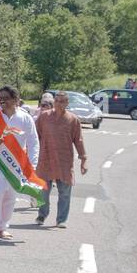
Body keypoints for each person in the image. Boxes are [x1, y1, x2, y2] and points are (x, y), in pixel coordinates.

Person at [0, 85, 41, 241]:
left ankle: (3, 227)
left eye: (5, 99)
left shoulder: (25, 118)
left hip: (16, 164)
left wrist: (32, 164)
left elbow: (33, 142)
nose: (2, 102)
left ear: (15, 100)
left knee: (10, 196)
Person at [34, 90, 88, 228]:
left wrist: (83, 159)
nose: (59, 104)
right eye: (57, 101)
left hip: (64, 162)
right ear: (54, 102)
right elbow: (35, 136)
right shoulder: (44, 117)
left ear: (67, 103)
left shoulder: (73, 119)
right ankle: (42, 214)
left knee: (64, 193)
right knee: (42, 192)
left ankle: (61, 219)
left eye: (62, 101)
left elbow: (79, 140)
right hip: (45, 159)